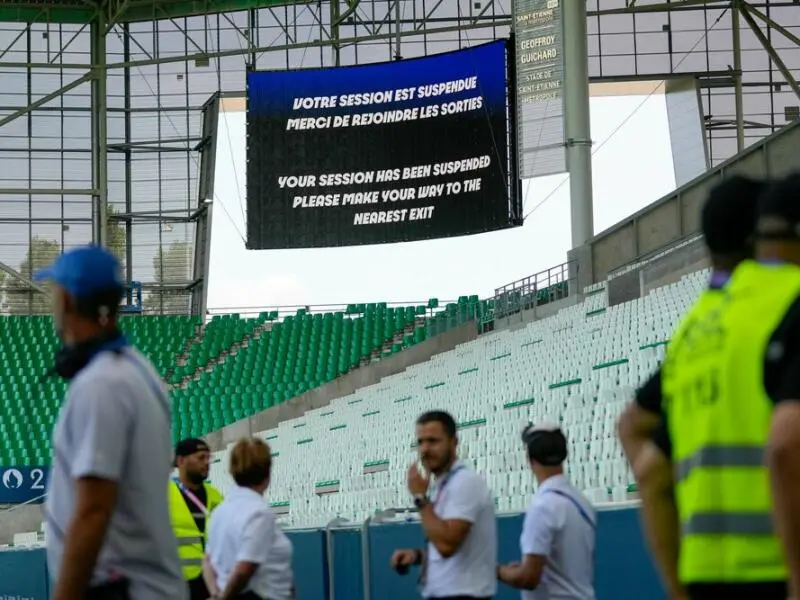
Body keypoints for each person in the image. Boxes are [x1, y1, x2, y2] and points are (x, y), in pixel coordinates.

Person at [635, 173, 800, 600]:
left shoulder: (696, 329)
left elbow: (649, 465)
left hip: (704, 569)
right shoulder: (787, 299)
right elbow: (786, 444)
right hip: (779, 566)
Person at [37, 245, 185, 600]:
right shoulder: (136, 370)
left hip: (120, 589)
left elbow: (94, 509)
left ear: (69, 300)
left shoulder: (101, 384)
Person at [391, 410, 497, 600]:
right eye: (420, 442)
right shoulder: (445, 484)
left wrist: (419, 498)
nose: (424, 449)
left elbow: (447, 545)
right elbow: (454, 548)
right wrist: (415, 556)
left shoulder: (465, 482)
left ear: (453, 442)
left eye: (433, 441)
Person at [497, 423, 596, 599]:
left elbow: (529, 578)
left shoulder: (543, 506)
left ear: (529, 458)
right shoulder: (582, 502)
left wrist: (497, 571)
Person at [203, 437, 294, 600]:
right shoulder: (259, 512)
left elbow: (207, 561)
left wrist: (216, 593)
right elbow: (244, 568)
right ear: (267, 474)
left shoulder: (220, 511)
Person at [170, 438, 224, 600]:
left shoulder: (216, 495)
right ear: (181, 461)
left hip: (212, 584)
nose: (207, 462)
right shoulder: (162, 494)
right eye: (201, 458)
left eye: (208, 457)